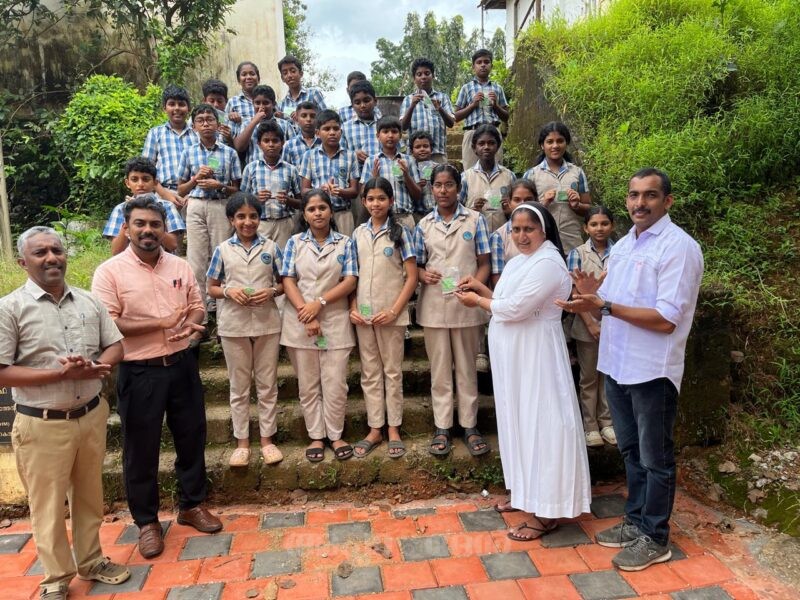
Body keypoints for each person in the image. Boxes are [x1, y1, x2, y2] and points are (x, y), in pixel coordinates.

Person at [558, 168, 703, 571]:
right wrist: (591, 297)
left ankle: (655, 537)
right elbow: (607, 301)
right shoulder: (623, 245)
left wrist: (603, 305)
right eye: (634, 195)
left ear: (667, 201)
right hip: (617, 364)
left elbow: (667, 319)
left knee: (656, 457)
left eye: (650, 195)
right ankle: (637, 520)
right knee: (631, 451)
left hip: (652, 370)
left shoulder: (679, 247)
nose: (640, 203)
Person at [0, 227, 130, 600]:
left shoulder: (89, 301)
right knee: (48, 506)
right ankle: (56, 578)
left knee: (89, 496)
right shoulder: (10, 308)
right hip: (42, 423)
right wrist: (61, 374)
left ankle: (92, 562)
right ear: (22, 262)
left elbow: (116, 346)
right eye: (40, 253)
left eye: (56, 250)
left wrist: (97, 366)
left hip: (90, 416)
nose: (51, 258)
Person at [92, 195, 222, 560]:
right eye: (140, 224)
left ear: (165, 228)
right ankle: (147, 522)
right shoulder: (109, 272)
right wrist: (160, 323)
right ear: (126, 228)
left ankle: (192, 505)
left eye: (155, 224)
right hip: (139, 371)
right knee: (140, 449)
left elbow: (197, 307)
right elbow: (109, 323)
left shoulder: (180, 266)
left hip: (181, 364)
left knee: (192, 437)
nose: (148, 230)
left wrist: (193, 327)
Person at [455, 202, 592, 541]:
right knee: (518, 422)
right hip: (516, 359)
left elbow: (516, 308)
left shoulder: (549, 263)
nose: (521, 236)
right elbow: (504, 300)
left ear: (544, 230)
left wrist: (478, 302)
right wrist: (481, 289)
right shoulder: (519, 261)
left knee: (541, 423)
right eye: (516, 229)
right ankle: (525, 493)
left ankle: (547, 511)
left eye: (528, 229)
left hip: (537, 357)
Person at [414, 164, 491, 457]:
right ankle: (442, 426)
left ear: (459, 188)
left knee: (467, 368)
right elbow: (416, 265)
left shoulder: (475, 220)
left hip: (467, 305)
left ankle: (470, 425)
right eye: (438, 185)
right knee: (440, 370)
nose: (443, 190)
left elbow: (484, 262)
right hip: (434, 305)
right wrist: (423, 274)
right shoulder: (424, 225)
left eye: (449, 185)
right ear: (432, 189)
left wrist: (475, 287)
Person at [207, 193, 285, 467]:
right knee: (239, 386)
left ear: (260, 218)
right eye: (241, 216)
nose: (247, 222)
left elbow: (285, 282)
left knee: (267, 384)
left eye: (253, 216)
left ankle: (267, 440)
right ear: (231, 219)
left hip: (267, 323)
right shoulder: (222, 250)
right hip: (233, 325)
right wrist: (229, 291)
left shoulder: (271, 248)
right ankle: (242, 443)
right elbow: (211, 287)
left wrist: (272, 291)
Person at [279, 189, 358, 462]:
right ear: (304, 215)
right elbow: (288, 279)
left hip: (335, 321)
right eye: (311, 209)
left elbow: (350, 280)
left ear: (331, 211)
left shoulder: (345, 243)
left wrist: (320, 303)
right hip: (300, 322)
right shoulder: (294, 242)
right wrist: (307, 312)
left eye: (322, 208)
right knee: (308, 385)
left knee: (336, 383)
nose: (317, 213)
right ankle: (316, 435)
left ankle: (335, 435)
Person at [350, 177, 418, 458]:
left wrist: (394, 310)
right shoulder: (358, 234)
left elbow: (412, 277)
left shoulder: (401, 233)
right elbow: (352, 276)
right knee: (370, 373)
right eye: (370, 199)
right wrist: (353, 307)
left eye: (381, 198)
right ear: (363, 202)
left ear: (391, 201)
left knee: (392, 371)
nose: (376, 204)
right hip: (364, 317)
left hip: (391, 315)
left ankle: (394, 428)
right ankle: (375, 428)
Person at [177, 103, 242, 315]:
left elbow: (237, 189)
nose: (205, 124)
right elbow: (181, 188)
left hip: (220, 205)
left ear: (217, 123)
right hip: (195, 205)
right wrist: (196, 178)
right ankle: (201, 315)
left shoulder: (229, 153)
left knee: (222, 256)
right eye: (200, 121)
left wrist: (219, 185)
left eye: (210, 119)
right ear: (194, 126)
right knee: (196, 259)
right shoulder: (188, 153)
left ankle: (223, 314)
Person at [566, 206, 616, 447]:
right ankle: (590, 426)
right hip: (587, 325)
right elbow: (574, 292)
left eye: (604, 223)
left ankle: (607, 422)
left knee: (608, 375)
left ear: (612, 226)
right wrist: (591, 323)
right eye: (594, 224)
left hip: (614, 322)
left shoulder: (620, 253)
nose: (599, 228)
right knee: (588, 377)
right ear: (585, 228)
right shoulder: (577, 254)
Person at [523, 121, 591, 255]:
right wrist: (543, 204)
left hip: (572, 242)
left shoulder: (577, 173)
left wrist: (577, 205)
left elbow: (588, 209)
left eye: (560, 141)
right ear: (542, 145)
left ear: (566, 143)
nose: (555, 146)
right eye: (550, 142)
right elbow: (524, 212)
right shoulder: (532, 175)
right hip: (542, 242)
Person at [103, 157, 185, 255]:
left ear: (155, 182)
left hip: (162, 261)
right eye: (134, 179)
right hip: (131, 262)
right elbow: (116, 251)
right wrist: (130, 215)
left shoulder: (167, 207)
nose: (140, 184)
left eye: (146, 179)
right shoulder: (120, 209)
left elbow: (172, 245)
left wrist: (149, 213)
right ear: (127, 183)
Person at [240, 120, 302, 249]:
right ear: (259, 144)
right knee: (260, 256)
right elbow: (241, 200)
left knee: (282, 256)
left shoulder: (291, 170)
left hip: (284, 223)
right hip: (260, 223)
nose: (271, 144)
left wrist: (288, 200)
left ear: (282, 143)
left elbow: (301, 202)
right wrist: (256, 199)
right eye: (266, 141)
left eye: (275, 141)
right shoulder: (251, 168)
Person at [299, 110, 361, 236]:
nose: (332, 132)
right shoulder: (309, 156)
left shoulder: (350, 156)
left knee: (345, 245)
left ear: (341, 132)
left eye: (336, 129)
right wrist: (319, 191)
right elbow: (304, 190)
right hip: (318, 214)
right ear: (317, 133)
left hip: (343, 213)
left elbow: (355, 191)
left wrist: (339, 191)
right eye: (327, 129)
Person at [360, 116, 421, 231]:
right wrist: (374, 179)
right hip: (381, 219)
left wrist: (407, 176)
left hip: (405, 217)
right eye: (385, 131)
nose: (390, 135)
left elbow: (417, 195)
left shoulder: (409, 160)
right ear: (378, 136)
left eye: (394, 131)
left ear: (400, 135)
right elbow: (363, 194)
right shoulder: (371, 161)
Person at [142, 84, 198, 207]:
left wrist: (192, 194)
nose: (177, 108)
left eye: (181, 104)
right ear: (164, 108)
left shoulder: (197, 135)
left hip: (193, 195)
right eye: (172, 104)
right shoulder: (156, 133)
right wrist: (165, 195)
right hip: (163, 194)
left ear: (189, 108)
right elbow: (146, 170)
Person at [454, 48, 510, 170]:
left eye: (486, 62)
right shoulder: (466, 88)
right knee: (470, 171)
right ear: (473, 67)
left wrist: (496, 105)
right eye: (479, 62)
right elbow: (456, 116)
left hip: (493, 132)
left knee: (496, 170)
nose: (483, 65)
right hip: (472, 132)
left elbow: (506, 116)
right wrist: (472, 105)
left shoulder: (498, 88)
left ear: (491, 66)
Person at [459, 124, 515, 232]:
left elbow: (518, 208)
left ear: (498, 146)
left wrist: (509, 211)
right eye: (481, 143)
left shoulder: (509, 176)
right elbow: (457, 210)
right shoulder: (466, 177)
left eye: (491, 143)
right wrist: (472, 210)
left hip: (504, 235)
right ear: (474, 148)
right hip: (475, 236)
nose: (486, 147)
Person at [399, 58, 455, 163]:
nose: (423, 77)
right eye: (419, 74)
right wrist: (412, 106)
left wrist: (440, 109)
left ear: (433, 76)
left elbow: (451, 123)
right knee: (416, 175)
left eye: (427, 73)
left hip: (437, 153)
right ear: (414, 79)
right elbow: (403, 127)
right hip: (415, 155)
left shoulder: (442, 97)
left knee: (440, 174)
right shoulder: (408, 99)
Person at [489, 180, 537, 286]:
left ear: (536, 201)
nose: (523, 204)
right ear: (509, 203)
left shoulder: (544, 230)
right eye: (517, 200)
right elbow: (498, 280)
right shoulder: (499, 236)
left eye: (528, 199)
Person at [233, 85, 296, 165]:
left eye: (266, 103)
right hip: (255, 170)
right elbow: (239, 147)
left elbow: (294, 150)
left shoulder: (285, 125)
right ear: (253, 103)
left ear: (273, 104)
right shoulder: (247, 124)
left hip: (281, 170)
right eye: (257, 103)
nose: (261, 107)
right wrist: (254, 122)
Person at [341, 80, 381, 164]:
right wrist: (353, 155)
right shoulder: (345, 128)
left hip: (383, 171)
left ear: (375, 101)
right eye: (357, 103)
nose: (362, 105)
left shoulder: (386, 125)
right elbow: (339, 154)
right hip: (357, 171)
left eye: (366, 101)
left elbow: (397, 155)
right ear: (352, 105)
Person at [277, 54, 327, 120]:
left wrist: (303, 116)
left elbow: (326, 118)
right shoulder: (282, 105)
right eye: (285, 73)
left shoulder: (313, 94)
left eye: (293, 71)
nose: (289, 75)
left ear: (301, 74)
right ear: (282, 78)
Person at [408, 130, 436, 222]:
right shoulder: (409, 171)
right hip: (417, 213)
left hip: (435, 211)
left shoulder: (438, 168)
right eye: (418, 147)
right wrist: (415, 185)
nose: (422, 149)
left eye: (425, 146)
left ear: (431, 149)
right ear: (412, 151)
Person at [283, 101, 321, 167]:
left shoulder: (324, 142)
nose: (308, 119)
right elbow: (285, 170)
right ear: (297, 119)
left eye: (312, 116)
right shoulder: (289, 145)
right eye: (304, 116)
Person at [201, 78, 233, 146]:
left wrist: (229, 139)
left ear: (226, 101)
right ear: (204, 101)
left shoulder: (230, 120)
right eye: (211, 101)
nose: (216, 105)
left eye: (220, 101)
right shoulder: (196, 119)